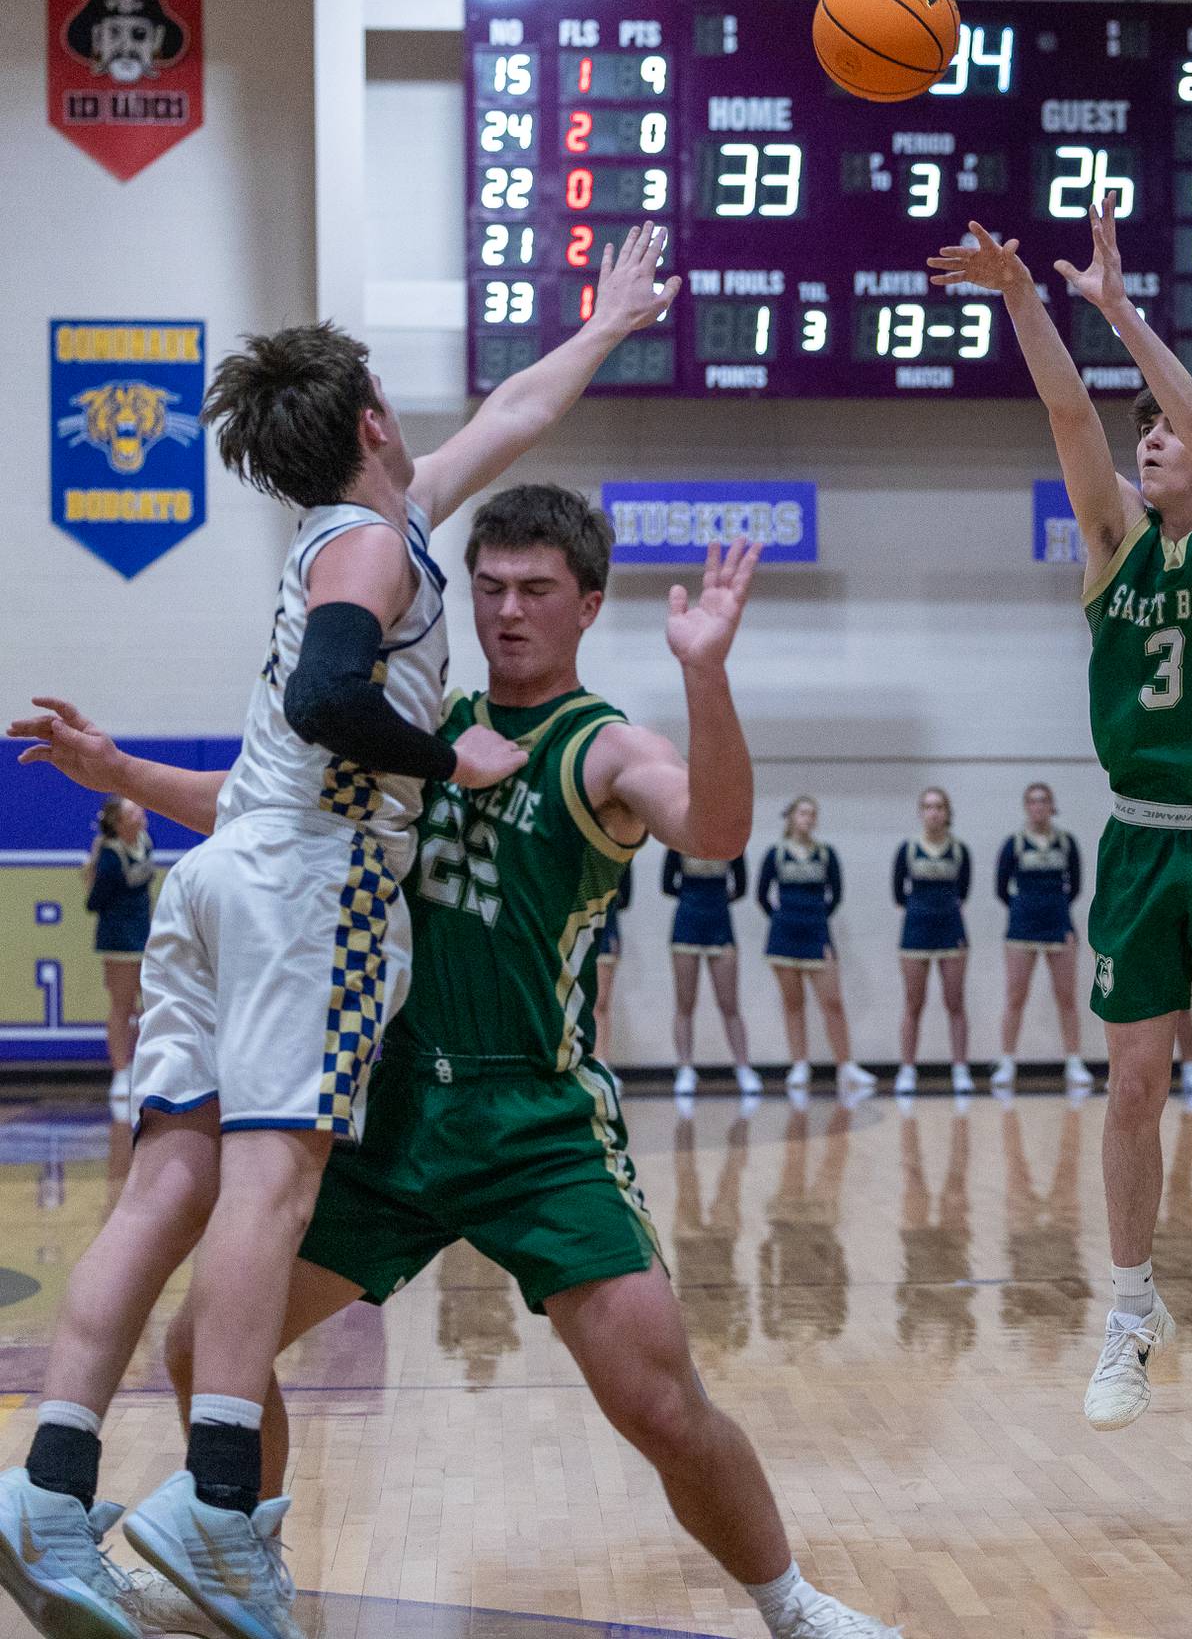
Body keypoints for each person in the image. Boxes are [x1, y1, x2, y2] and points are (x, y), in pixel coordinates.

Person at [41, 493, 897, 1639]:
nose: (505, 610)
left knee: (660, 1405)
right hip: (387, 1109)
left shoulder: (604, 747)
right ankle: (249, 1567)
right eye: (488, 586)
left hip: (533, 1122)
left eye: (535, 590)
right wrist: (121, 772)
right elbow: (260, 808)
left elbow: (717, 828)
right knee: (205, 1343)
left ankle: (792, 1607)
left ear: (588, 604)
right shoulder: (424, 727)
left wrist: (705, 673)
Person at [0, 229, 680, 1639]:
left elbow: (514, 413)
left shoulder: (363, 529)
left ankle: (49, 1483)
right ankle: (222, 1501)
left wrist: (608, 324)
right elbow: (326, 701)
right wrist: (456, 761)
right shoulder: (376, 547)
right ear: (372, 420)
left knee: (165, 1188)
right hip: (310, 893)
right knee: (274, 1182)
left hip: (222, 872)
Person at [931, 197, 1192, 1435]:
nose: (1148, 444)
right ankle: (1133, 1312)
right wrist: (1031, 304)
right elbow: (1063, 414)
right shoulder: (1112, 547)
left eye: (1167, 435)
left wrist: (1124, 314)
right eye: (1141, 432)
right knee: (1133, 1083)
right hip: (1142, 841)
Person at [756, 798, 875, 1096]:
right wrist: (783, 918)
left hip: (817, 932)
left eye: (812, 814)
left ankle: (845, 1064)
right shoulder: (775, 853)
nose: (808, 819)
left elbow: (836, 895)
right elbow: (761, 895)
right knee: (793, 1003)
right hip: (783, 935)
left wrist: (815, 918)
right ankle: (799, 1064)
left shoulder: (826, 854)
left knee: (832, 1001)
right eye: (803, 813)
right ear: (791, 817)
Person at [992, 784, 1092, 1092]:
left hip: (1059, 925)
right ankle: (1007, 1061)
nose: (1038, 807)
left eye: (1044, 801)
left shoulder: (1066, 843)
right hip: (1021, 928)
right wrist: (1025, 908)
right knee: (1015, 996)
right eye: (1033, 802)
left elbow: (1074, 886)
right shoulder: (1014, 844)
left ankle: (1073, 1061)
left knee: (1067, 997)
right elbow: (1000, 888)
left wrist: (1053, 908)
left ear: (1052, 806)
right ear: (1026, 807)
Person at [892, 786, 974, 1095]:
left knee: (955, 1001)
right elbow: (898, 894)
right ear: (920, 812)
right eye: (927, 806)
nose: (934, 811)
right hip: (915, 930)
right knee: (914, 1002)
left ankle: (960, 1068)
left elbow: (963, 890)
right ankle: (908, 1069)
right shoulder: (908, 849)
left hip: (951, 928)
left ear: (947, 812)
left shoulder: (959, 850)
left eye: (939, 806)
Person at [663, 848, 762, 1098]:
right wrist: (692, 895)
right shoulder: (678, 842)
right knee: (685, 1002)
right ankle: (685, 1068)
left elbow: (741, 887)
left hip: (719, 920)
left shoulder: (731, 842)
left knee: (729, 1003)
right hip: (687, 919)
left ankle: (743, 1067)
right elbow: (666, 884)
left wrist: (714, 898)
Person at [83, 796, 155, 1111]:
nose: (142, 811)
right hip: (118, 941)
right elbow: (93, 903)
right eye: (133, 810)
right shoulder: (111, 857)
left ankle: (148, 1070)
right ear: (118, 822)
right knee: (122, 1007)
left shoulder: (145, 842)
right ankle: (121, 1073)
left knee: (152, 1007)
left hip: (145, 937)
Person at [592, 860, 632, 1073]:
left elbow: (626, 897)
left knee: (600, 1002)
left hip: (606, 925)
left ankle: (600, 1062)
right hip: (573, 924)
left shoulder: (621, 850)